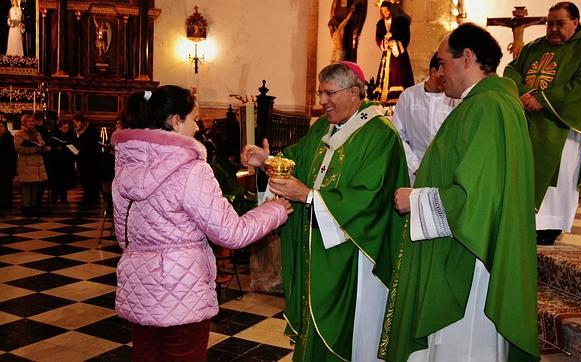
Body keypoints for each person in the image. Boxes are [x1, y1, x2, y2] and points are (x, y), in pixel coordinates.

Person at [379, 24, 540, 362]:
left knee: (465, 347)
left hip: (470, 252)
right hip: (465, 241)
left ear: (466, 58)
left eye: (442, 62)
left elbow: (476, 196)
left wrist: (416, 200)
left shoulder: (488, 107)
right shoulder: (485, 103)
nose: (438, 74)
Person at [242, 61, 408, 361]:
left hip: (351, 253)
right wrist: (267, 161)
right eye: (320, 93)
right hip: (315, 246)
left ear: (355, 92)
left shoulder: (380, 135)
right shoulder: (324, 125)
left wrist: (309, 196)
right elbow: (297, 159)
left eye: (329, 93)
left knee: (347, 333)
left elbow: (370, 197)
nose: (322, 101)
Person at [112, 85, 292, 361]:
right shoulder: (191, 169)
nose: (197, 128)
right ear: (175, 121)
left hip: (139, 288)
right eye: (193, 119)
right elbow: (231, 234)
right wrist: (274, 209)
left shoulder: (125, 166)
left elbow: (124, 236)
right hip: (181, 294)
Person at [504, 2, 581, 245]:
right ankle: (524, 220)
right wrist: (523, 93)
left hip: (562, 128)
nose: (552, 29)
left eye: (560, 23)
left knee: (558, 177)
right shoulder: (533, 48)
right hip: (529, 125)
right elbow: (511, 71)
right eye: (549, 23)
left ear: (576, 22)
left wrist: (543, 99)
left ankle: (550, 225)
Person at [392, 51, 459, 183]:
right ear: (433, 72)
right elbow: (397, 135)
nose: (447, 79)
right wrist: (415, 166)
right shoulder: (409, 96)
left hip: (445, 169)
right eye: (444, 74)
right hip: (414, 168)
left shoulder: (455, 99)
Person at [373, 1, 414, 105]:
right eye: (383, 11)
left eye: (386, 11)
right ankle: (384, 98)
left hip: (398, 55)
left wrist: (395, 43)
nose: (385, 13)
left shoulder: (400, 21)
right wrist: (384, 44)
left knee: (398, 75)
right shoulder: (380, 23)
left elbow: (405, 36)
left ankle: (397, 98)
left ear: (391, 10)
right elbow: (378, 37)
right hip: (387, 54)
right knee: (385, 76)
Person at [14, 114, 49, 216]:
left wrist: (43, 147)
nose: (32, 123)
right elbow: (19, 148)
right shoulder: (19, 134)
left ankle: (34, 207)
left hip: (37, 163)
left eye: (32, 121)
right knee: (27, 187)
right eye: (29, 121)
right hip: (26, 163)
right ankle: (26, 207)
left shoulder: (37, 133)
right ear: (24, 123)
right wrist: (35, 149)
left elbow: (41, 143)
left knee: (35, 186)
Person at [73, 113, 101, 206]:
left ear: (80, 122)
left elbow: (88, 145)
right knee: (86, 181)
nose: (75, 125)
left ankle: (90, 200)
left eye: (75, 122)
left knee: (90, 181)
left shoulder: (90, 130)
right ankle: (89, 199)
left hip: (90, 160)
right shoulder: (84, 130)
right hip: (85, 159)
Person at [48, 119, 77, 204]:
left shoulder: (71, 134)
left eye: (67, 127)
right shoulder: (53, 135)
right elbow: (49, 146)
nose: (66, 129)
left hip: (67, 161)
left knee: (65, 181)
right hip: (55, 162)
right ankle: (54, 198)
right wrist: (56, 148)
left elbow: (75, 146)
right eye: (64, 128)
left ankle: (64, 198)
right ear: (59, 128)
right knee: (55, 181)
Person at [0, 120, 17, 214]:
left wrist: (14, 169)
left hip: (7, 166)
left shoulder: (10, 138)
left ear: (5, 128)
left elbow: (13, 154)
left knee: (7, 186)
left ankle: (7, 203)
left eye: (1, 127)